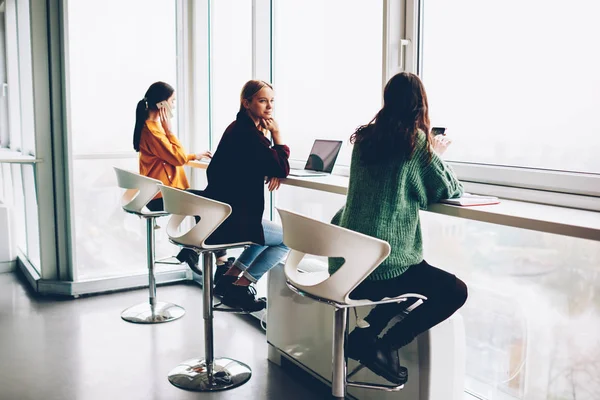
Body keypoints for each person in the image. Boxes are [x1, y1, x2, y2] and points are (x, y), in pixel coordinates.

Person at [329, 72, 468, 385]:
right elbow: (447, 189)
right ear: (420, 104)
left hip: (348, 265)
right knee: (453, 290)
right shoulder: (415, 142)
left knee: (417, 276)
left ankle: (365, 334)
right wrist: (437, 153)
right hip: (382, 268)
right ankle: (383, 347)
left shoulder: (364, 138)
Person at [203, 80, 290, 312]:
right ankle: (241, 286)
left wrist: (270, 166)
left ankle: (229, 279)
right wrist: (277, 134)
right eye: (263, 101)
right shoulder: (248, 134)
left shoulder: (238, 128)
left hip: (219, 216)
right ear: (247, 103)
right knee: (287, 239)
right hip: (231, 220)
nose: (269, 107)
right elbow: (281, 167)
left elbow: (265, 163)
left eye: (272, 101)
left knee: (264, 233)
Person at [133, 81, 232, 272]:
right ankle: (210, 258)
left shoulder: (151, 127)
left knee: (207, 204)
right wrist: (170, 131)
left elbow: (170, 156)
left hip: (160, 194)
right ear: (162, 104)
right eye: (173, 101)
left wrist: (195, 156)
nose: (174, 105)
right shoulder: (153, 131)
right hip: (160, 197)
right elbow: (177, 158)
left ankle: (201, 254)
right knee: (209, 204)